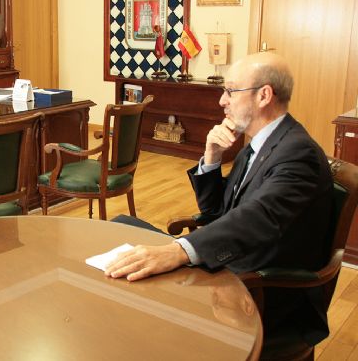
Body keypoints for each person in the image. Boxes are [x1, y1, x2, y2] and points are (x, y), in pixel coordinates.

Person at [106, 52, 334, 344]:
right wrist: (211, 158)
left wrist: (177, 251)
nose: (221, 101)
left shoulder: (297, 154)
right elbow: (216, 211)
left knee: (138, 315)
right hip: (232, 265)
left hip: (260, 292)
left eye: (230, 91)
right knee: (122, 224)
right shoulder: (261, 144)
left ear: (264, 95)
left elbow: (257, 218)